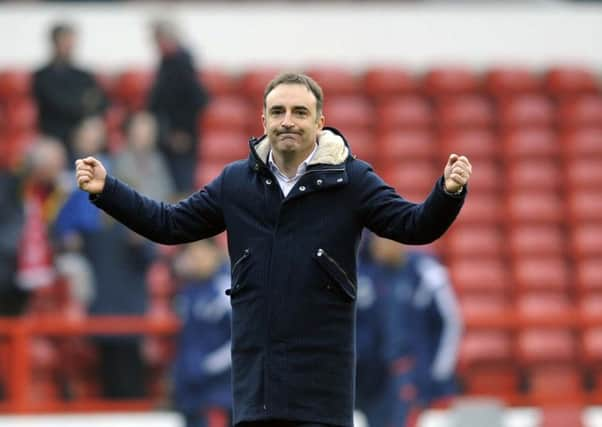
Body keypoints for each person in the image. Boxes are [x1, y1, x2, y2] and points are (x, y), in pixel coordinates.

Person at [75, 72, 472, 427]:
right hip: (256, 389)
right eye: (278, 111)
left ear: (319, 121)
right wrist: (110, 191)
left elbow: (415, 226)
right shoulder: (235, 182)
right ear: (263, 120)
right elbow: (170, 224)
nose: (288, 121)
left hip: (323, 390)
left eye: (300, 112)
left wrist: (448, 193)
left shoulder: (352, 180)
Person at [362, 235, 463, 427]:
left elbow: (451, 322)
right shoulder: (371, 274)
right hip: (378, 380)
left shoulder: (424, 271)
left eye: (380, 240)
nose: (376, 247)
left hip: (416, 376)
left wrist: (438, 373)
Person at [172, 239, 232, 427]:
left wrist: (207, 366)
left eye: (201, 254)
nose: (196, 260)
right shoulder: (188, 290)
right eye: (191, 255)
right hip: (189, 382)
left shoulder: (227, 288)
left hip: (222, 384)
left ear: (215, 253)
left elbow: (239, 338)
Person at [148, 20, 210, 194]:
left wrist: (182, 132)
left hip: (180, 139)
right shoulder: (168, 62)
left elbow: (198, 100)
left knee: (180, 190)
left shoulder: (181, 64)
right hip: (168, 137)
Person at [32, 22, 108, 163]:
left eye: (71, 41)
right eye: (65, 40)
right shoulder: (42, 76)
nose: (69, 45)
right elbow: (57, 105)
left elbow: (101, 102)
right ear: (55, 43)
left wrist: (85, 115)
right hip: (55, 134)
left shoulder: (84, 75)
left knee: (93, 130)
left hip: (83, 131)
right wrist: (84, 102)